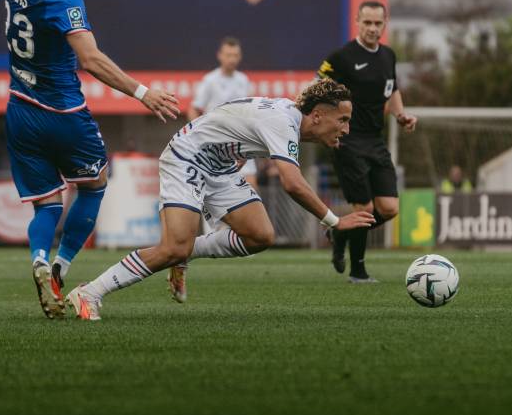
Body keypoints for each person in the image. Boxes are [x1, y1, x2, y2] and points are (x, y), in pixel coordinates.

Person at [65, 80, 375, 320]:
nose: (346, 129)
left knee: (259, 236)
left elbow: (234, 119)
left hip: (221, 167)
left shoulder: (287, 117)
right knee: (173, 247)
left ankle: (185, 255)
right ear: (318, 115)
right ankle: (90, 293)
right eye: (343, 120)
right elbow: (292, 184)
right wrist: (335, 221)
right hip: (187, 158)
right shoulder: (285, 122)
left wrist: (231, 149)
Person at [4, 0, 179, 319]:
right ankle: (62, 270)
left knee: (47, 206)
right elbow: (91, 59)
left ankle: (40, 261)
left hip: (19, 109)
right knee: (95, 184)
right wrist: (142, 92)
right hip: (63, 113)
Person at [316, 0, 417, 283]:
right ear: (357, 22)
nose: (373, 28)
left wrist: (401, 115)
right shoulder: (342, 57)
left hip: (375, 140)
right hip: (348, 140)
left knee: (389, 208)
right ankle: (358, 272)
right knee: (364, 209)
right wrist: (327, 129)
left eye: (378, 23)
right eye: (367, 22)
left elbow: (392, 88)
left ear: (385, 24)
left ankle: (341, 231)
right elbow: (316, 88)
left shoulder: (388, 56)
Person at [188, 37, 257, 188]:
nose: (232, 59)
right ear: (220, 55)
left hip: (241, 142)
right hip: (216, 144)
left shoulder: (243, 80)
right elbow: (194, 109)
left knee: (251, 188)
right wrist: (198, 136)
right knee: (216, 193)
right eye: (228, 55)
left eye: (235, 55)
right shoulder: (210, 80)